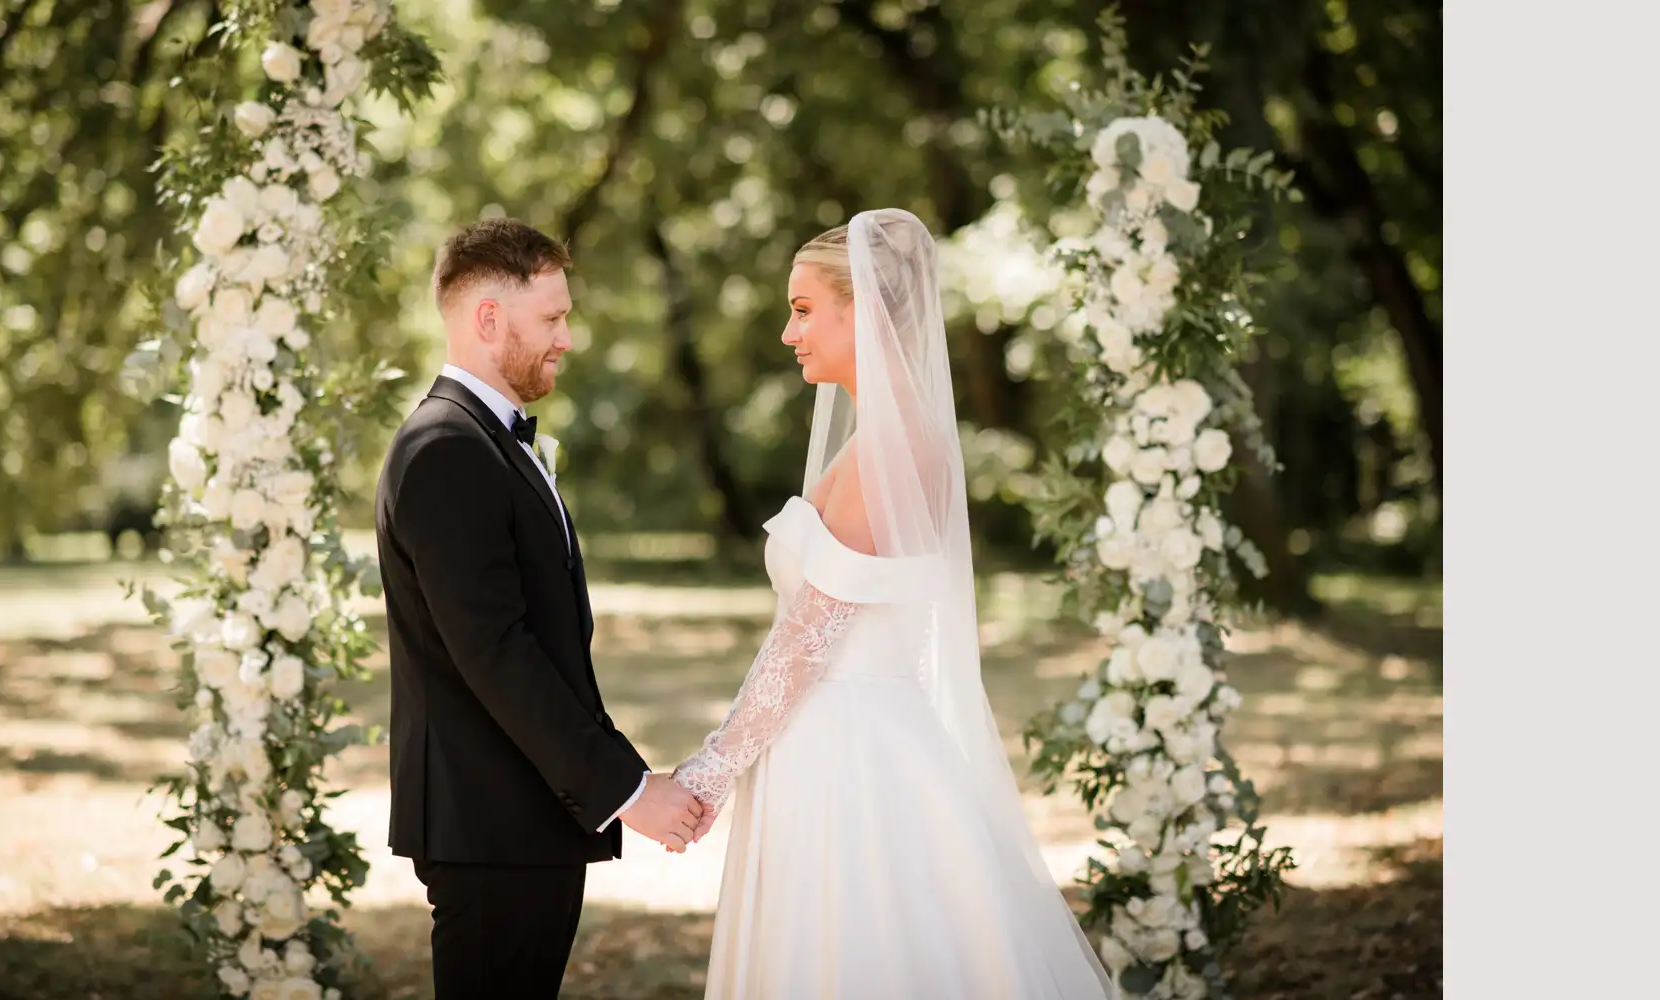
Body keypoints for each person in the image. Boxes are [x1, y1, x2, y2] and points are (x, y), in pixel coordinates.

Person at [672, 210, 1116, 999]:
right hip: (823, 737)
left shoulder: (894, 446)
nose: (788, 333)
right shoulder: (878, 438)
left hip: (854, 758)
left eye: (803, 309)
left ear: (866, 313)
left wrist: (711, 770)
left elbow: (807, 640)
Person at [373, 218, 708, 1000]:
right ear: (489, 318)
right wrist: (629, 790)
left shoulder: (484, 440)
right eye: (552, 318)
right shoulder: (447, 449)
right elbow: (498, 653)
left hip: (522, 820)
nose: (568, 338)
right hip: (491, 825)